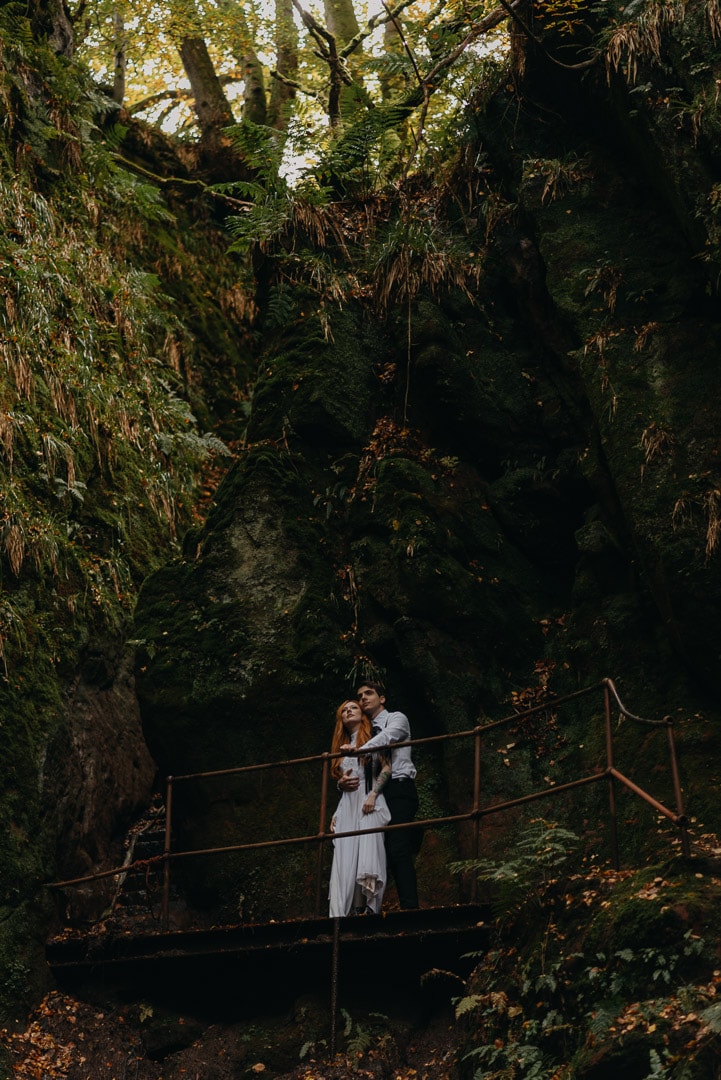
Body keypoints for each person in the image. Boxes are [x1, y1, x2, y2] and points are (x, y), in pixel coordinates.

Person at [339, 682, 420, 909]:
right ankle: (367, 910)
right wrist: (341, 783)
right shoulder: (363, 731)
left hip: (398, 788)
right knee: (373, 850)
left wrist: (360, 749)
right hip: (373, 794)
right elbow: (353, 768)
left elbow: (388, 737)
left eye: (369, 693)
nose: (363, 698)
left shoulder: (396, 718)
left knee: (398, 849)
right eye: (360, 695)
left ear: (381, 698)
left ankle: (410, 909)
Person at [328, 700, 391, 917]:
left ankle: (367, 909)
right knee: (344, 856)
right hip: (347, 804)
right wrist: (337, 806)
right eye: (344, 710)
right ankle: (339, 915)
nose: (348, 711)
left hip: (368, 801)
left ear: (362, 714)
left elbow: (386, 768)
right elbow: (345, 780)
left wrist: (373, 795)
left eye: (353, 707)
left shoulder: (374, 737)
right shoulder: (340, 746)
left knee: (367, 853)